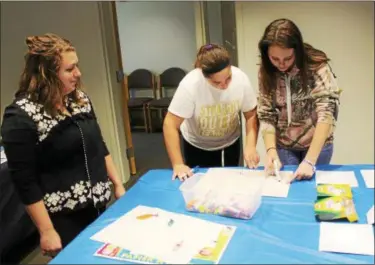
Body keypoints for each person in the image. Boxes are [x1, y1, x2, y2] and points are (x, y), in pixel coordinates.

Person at [0, 33, 125, 257]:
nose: (78, 73)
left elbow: (99, 146)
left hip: (97, 206)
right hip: (63, 217)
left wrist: (117, 184)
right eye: (69, 69)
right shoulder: (21, 116)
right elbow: (24, 181)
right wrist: (46, 230)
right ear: (44, 73)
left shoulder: (80, 100)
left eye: (77, 66)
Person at [257, 19, 341, 182]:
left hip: (317, 144)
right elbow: (266, 114)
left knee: (312, 191)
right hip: (285, 145)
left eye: (287, 58)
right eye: (275, 59)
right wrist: (271, 150)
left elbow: (326, 113)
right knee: (288, 190)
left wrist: (309, 161)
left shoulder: (316, 66)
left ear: (297, 50)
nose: (281, 64)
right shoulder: (266, 71)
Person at [163, 44, 259, 181]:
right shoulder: (191, 85)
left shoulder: (241, 79)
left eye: (228, 78)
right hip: (196, 144)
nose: (224, 85)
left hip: (229, 143)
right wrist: (178, 164)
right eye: (217, 83)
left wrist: (250, 145)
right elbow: (170, 124)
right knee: (200, 186)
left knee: (229, 183)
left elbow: (251, 115)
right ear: (205, 76)